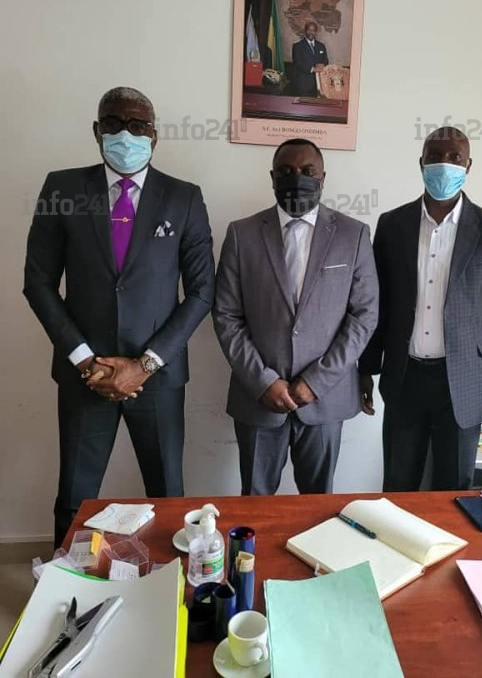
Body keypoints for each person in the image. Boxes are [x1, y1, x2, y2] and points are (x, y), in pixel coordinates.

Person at [24, 87, 215, 546]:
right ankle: (64, 582)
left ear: (154, 135)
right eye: (113, 124)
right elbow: (38, 283)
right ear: (97, 131)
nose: (125, 135)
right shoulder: (62, 189)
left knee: (168, 495)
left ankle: (172, 583)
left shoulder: (184, 198)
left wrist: (145, 364)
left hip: (157, 377)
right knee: (74, 498)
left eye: (137, 125)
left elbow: (202, 291)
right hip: (85, 375)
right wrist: (86, 361)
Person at [359, 126, 482, 491]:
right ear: (421, 163)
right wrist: (366, 369)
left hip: (465, 381)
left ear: (468, 166)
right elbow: (377, 304)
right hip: (405, 377)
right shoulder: (392, 225)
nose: (444, 164)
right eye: (434, 156)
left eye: (454, 157)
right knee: (398, 484)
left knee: (454, 488)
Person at [213, 138, 378, 495]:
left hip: (325, 398)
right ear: (272, 177)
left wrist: (317, 381)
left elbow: (364, 316)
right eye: (286, 171)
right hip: (258, 397)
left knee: (319, 506)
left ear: (323, 178)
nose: (297, 178)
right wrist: (263, 381)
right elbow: (226, 316)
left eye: (307, 171)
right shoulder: (241, 234)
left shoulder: (353, 234)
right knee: (255, 504)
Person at [292, 22, 329, 97]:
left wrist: (322, 65)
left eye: (313, 30)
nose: (311, 33)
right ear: (305, 31)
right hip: (303, 84)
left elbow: (326, 60)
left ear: (316, 32)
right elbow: (297, 63)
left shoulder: (321, 46)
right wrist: (313, 69)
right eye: (309, 30)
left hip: (319, 84)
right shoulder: (297, 46)